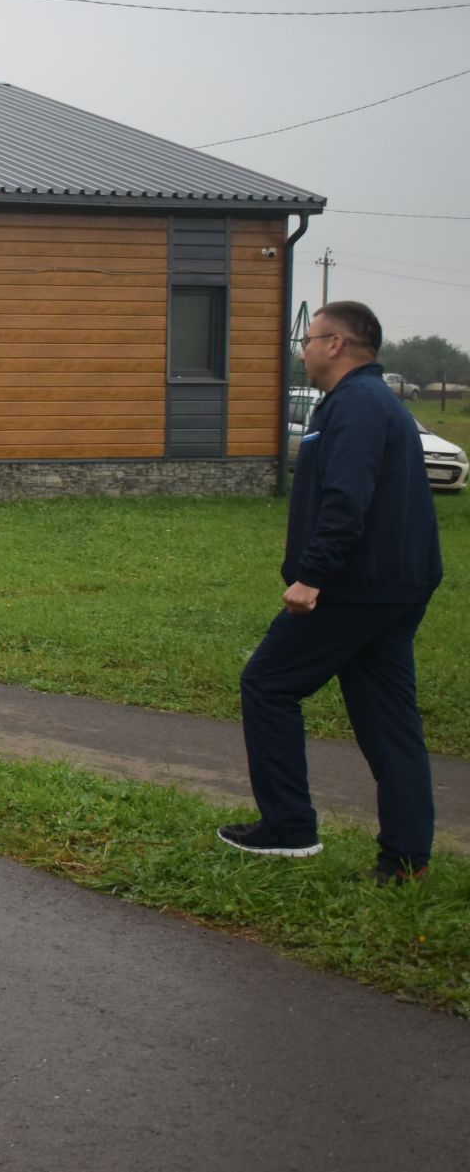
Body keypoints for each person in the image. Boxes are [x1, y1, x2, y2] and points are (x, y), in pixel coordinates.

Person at [221, 301, 443, 883]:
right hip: (393, 588)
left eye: (310, 338)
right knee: (389, 724)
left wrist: (312, 576)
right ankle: (405, 860)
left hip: (352, 587)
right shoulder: (372, 403)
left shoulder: (357, 405)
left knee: (267, 683)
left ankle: (289, 828)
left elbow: (347, 500)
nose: (304, 349)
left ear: (337, 344)